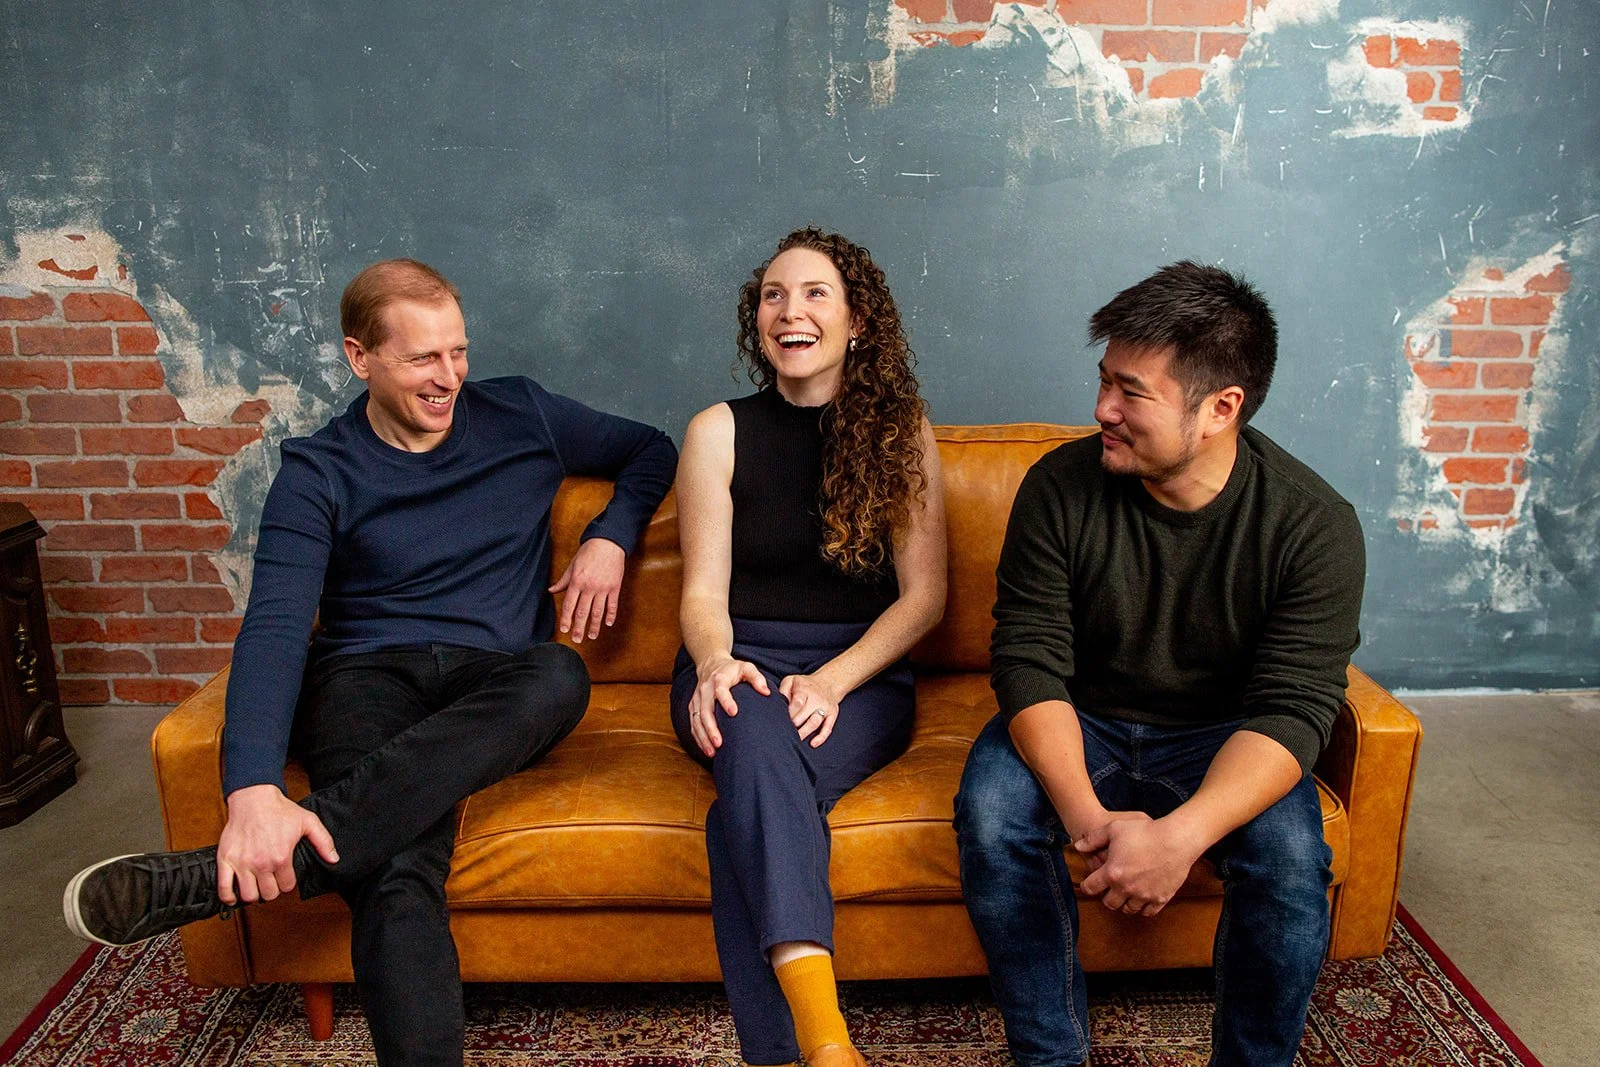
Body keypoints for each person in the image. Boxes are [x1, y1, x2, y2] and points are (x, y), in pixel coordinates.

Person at [63, 258, 677, 1067]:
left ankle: (214, 880)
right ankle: (297, 864)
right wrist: (250, 791)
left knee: (559, 676)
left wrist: (610, 533)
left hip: (498, 676)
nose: (450, 375)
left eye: (458, 351)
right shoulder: (318, 471)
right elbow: (277, 629)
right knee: (393, 874)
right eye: (424, 357)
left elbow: (651, 449)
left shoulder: (525, 412)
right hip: (364, 680)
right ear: (361, 358)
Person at [954, 261, 1365, 1067]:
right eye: (1104, 381)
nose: (1102, 408)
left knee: (1290, 862)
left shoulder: (1313, 525)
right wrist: (1086, 816)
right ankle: (1051, 1056)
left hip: (1225, 733)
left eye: (1131, 391)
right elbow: (1029, 660)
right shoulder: (1059, 487)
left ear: (1220, 409)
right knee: (991, 813)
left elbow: (1293, 708)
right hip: (1084, 717)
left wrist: (1178, 838)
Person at [672, 227, 947, 1067]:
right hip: (737, 660)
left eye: (815, 292)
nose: (790, 311)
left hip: (859, 675)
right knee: (752, 727)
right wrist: (717, 661)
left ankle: (787, 1054)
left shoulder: (904, 432)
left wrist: (830, 681)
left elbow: (925, 599)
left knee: (741, 817)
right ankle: (829, 1044)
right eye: (773, 296)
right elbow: (701, 594)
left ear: (858, 317)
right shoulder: (716, 430)